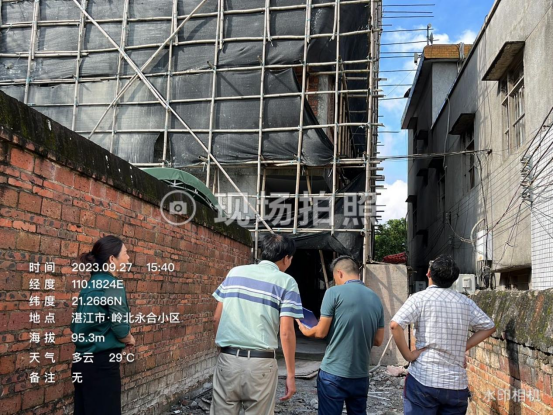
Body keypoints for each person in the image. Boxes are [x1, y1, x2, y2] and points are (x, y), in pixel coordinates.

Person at [210, 233, 303, 415]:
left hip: (228, 359)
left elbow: (216, 318)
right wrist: (291, 375)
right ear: (286, 258)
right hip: (261, 364)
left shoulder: (235, 273)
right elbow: (286, 332)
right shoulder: (286, 282)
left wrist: (223, 350)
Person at [390, 254, 496, 415]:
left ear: (428, 274)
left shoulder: (419, 299)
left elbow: (395, 325)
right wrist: (463, 347)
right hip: (456, 385)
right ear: (454, 279)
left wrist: (409, 356)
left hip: (423, 380)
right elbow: (489, 327)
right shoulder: (465, 302)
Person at [297, 255, 385, 415]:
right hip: (361, 375)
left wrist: (305, 330)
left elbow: (321, 332)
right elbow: (378, 340)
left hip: (333, 374)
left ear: (339, 273)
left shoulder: (333, 293)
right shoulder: (375, 298)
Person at [71, 235, 135, 415]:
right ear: (112, 259)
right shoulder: (112, 285)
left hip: (81, 363)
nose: (128, 258)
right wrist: (129, 339)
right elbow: (120, 327)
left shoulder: (90, 285)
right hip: (101, 365)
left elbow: (76, 325)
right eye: (125, 253)